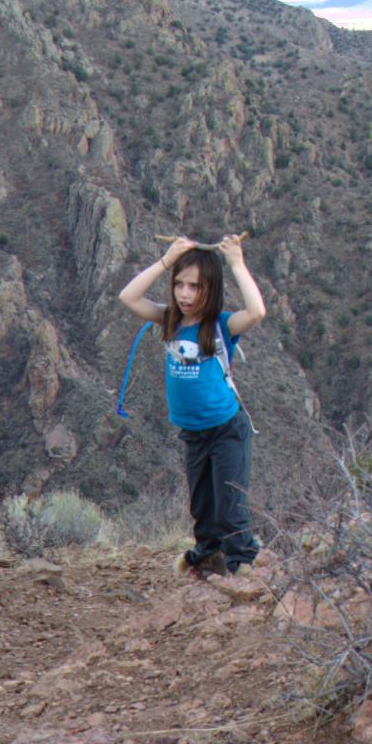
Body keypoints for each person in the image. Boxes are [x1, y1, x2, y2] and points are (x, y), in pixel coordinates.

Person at [118, 234, 267, 577]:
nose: (185, 294)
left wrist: (237, 263)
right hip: (194, 433)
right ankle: (208, 556)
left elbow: (257, 312)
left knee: (230, 508)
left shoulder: (220, 325)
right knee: (202, 507)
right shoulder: (169, 319)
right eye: (180, 285)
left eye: (195, 287)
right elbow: (129, 297)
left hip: (227, 429)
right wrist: (166, 261)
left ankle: (243, 566)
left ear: (210, 290)